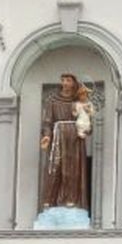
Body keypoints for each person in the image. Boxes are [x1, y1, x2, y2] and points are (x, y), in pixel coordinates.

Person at [39, 72, 90, 213]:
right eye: (63, 80)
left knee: (73, 169)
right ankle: (50, 201)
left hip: (74, 137)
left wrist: (85, 128)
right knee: (55, 168)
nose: (65, 83)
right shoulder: (53, 101)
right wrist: (47, 136)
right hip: (58, 135)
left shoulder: (78, 102)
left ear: (74, 83)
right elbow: (47, 121)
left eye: (68, 80)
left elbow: (86, 120)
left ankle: (71, 199)